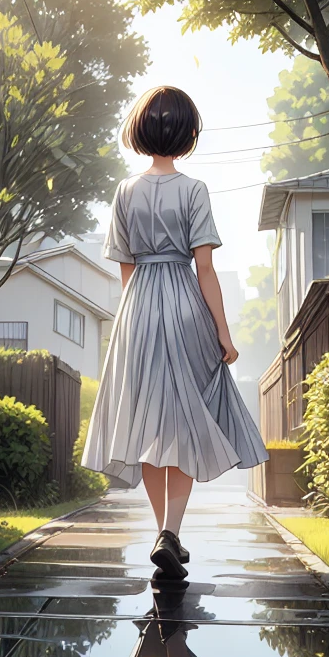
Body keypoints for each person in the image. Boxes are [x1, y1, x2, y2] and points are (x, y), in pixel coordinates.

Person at [81, 86, 268, 580]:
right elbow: (205, 268)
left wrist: (132, 320)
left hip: (138, 307)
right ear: (188, 135)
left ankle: (161, 532)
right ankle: (172, 532)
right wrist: (224, 335)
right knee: (185, 422)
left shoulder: (125, 190)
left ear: (140, 131)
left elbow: (125, 270)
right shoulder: (194, 190)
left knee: (146, 425)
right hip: (184, 305)